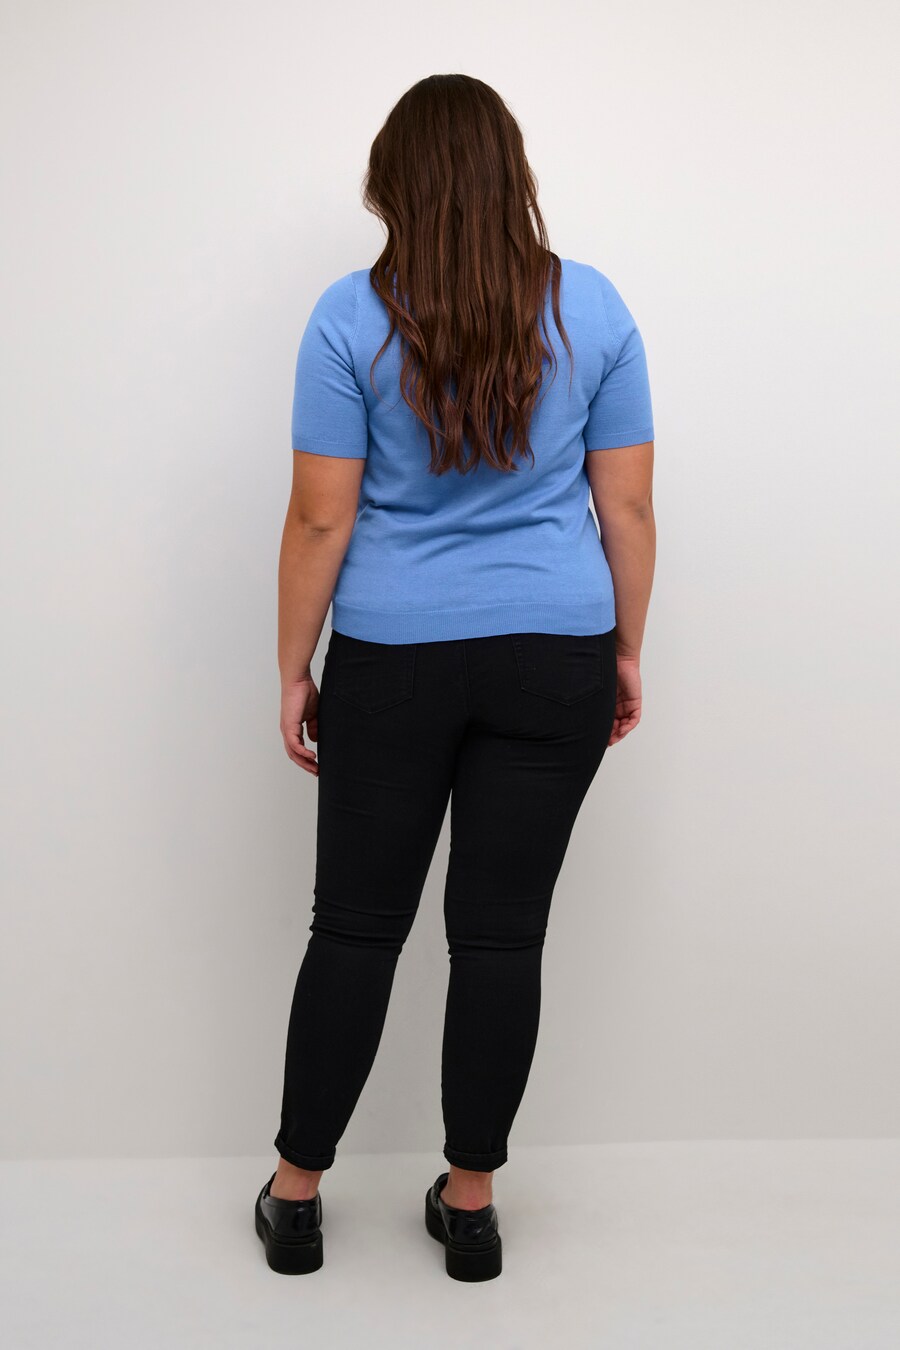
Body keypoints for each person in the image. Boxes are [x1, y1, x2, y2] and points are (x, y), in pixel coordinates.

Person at [254, 73, 656, 1282]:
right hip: (556, 656)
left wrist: (293, 667)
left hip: (393, 659)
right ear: (509, 173)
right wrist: (624, 648)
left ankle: (296, 1197)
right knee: (501, 938)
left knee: (354, 928)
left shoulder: (348, 317)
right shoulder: (594, 306)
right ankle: (471, 1206)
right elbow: (628, 509)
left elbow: (320, 521)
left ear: (394, 182)